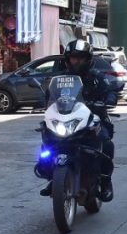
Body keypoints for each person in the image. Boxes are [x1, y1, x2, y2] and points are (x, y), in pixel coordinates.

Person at [40, 40, 117, 201]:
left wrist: (109, 98)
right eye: (73, 58)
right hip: (67, 119)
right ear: (68, 59)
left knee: (106, 142)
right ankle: (52, 177)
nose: (76, 61)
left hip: (93, 118)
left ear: (88, 59)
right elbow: (50, 94)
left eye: (80, 58)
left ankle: (105, 181)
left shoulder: (97, 77)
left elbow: (110, 90)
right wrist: (44, 101)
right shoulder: (61, 78)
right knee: (47, 137)